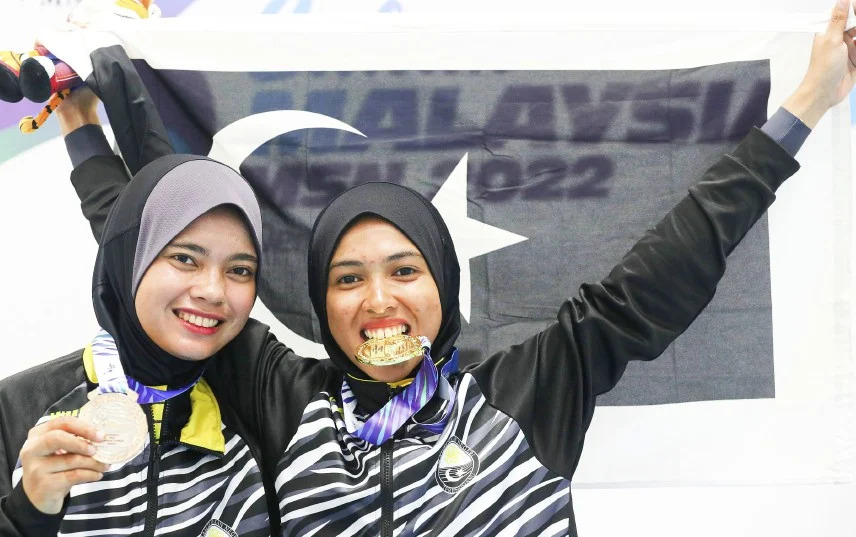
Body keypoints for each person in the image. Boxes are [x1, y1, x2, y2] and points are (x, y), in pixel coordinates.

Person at [61, 2, 856, 535]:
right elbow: (160, 247)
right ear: (321, 303)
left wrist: (808, 105)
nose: (379, 299)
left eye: (404, 270)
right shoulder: (284, 397)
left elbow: (671, 266)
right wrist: (88, 129)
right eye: (348, 278)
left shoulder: (528, 391)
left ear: (442, 285)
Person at [0, 125, 275, 535]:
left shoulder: (263, 407)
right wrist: (25, 512)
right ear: (130, 262)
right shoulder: (14, 408)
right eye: (185, 258)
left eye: (240, 270)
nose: (213, 291)